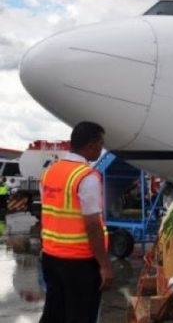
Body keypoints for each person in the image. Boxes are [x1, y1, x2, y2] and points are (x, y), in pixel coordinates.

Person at [39, 121, 112, 323]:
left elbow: (48, 213)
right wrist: (104, 265)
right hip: (79, 262)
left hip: (51, 257)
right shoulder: (86, 177)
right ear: (91, 146)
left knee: (54, 314)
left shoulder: (49, 172)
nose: (101, 148)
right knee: (81, 316)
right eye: (101, 143)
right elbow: (92, 225)